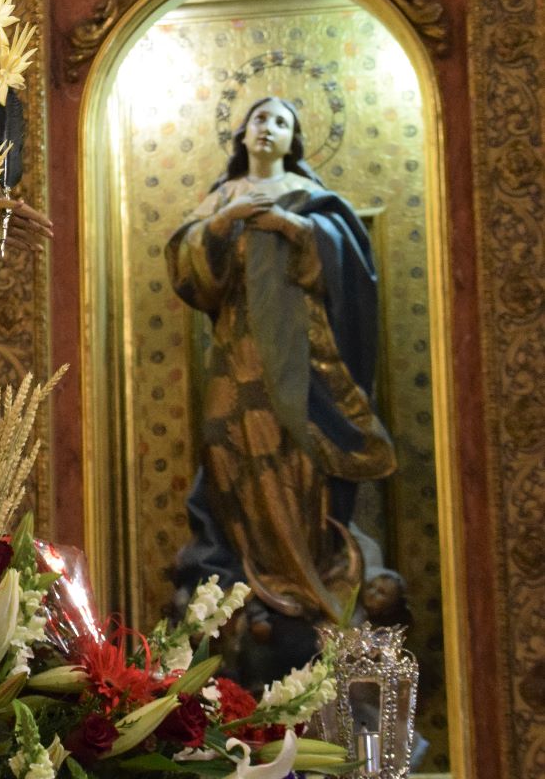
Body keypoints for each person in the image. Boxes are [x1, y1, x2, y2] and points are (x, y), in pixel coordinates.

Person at [165, 96, 397, 638]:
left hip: (302, 362)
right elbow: (191, 273)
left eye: (282, 122)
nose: (268, 128)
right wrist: (225, 222)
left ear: (295, 142)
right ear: (243, 133)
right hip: (236, 358)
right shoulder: (219, 199)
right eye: (260, 119)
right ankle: (250, 583)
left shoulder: (315, 201)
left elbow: (349, 275)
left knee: (301, 455)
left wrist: (295, 228)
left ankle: (311, 580)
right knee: (229, 454)